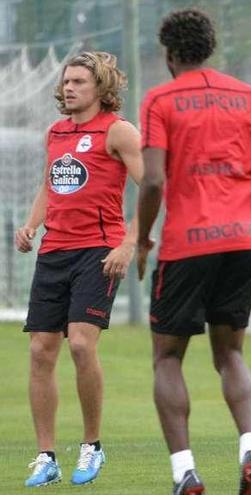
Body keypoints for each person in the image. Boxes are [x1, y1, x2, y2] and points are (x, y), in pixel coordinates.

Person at [136, 8, 251, 495]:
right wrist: (243, 204)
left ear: (170, 52)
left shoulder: (160, 99)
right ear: (209, 48)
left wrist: (141, 238)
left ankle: (186, 473)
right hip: (243, 241)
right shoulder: (247, 95)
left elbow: (153, 179)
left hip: (187, 244)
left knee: (167, 358)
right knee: (231, 353)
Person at [16, 51, 142, 488]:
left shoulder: (119, 131)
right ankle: (46, 456)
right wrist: (32, 225)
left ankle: (92, 445)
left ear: (102, 88)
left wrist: (129, 242)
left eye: (79, 82)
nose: (69, 88)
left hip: (98, 252)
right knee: (39, 352)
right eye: (66, 81)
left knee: (82, 346)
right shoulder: (56, 132)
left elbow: (154, 189)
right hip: (54, 252)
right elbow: (50, 184)